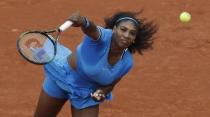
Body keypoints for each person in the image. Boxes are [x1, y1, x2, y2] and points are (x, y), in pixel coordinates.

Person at [33, 11, 158, 117]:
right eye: (123, 29)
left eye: (132, 33)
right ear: (114, 29)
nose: (126, 35)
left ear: (134, 38)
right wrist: (84, 21)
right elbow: (92, 29)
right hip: (62, 78)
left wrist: (101, 92)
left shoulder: (126, 62)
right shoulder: (103, 37)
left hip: (85, 93)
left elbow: (111, 84)